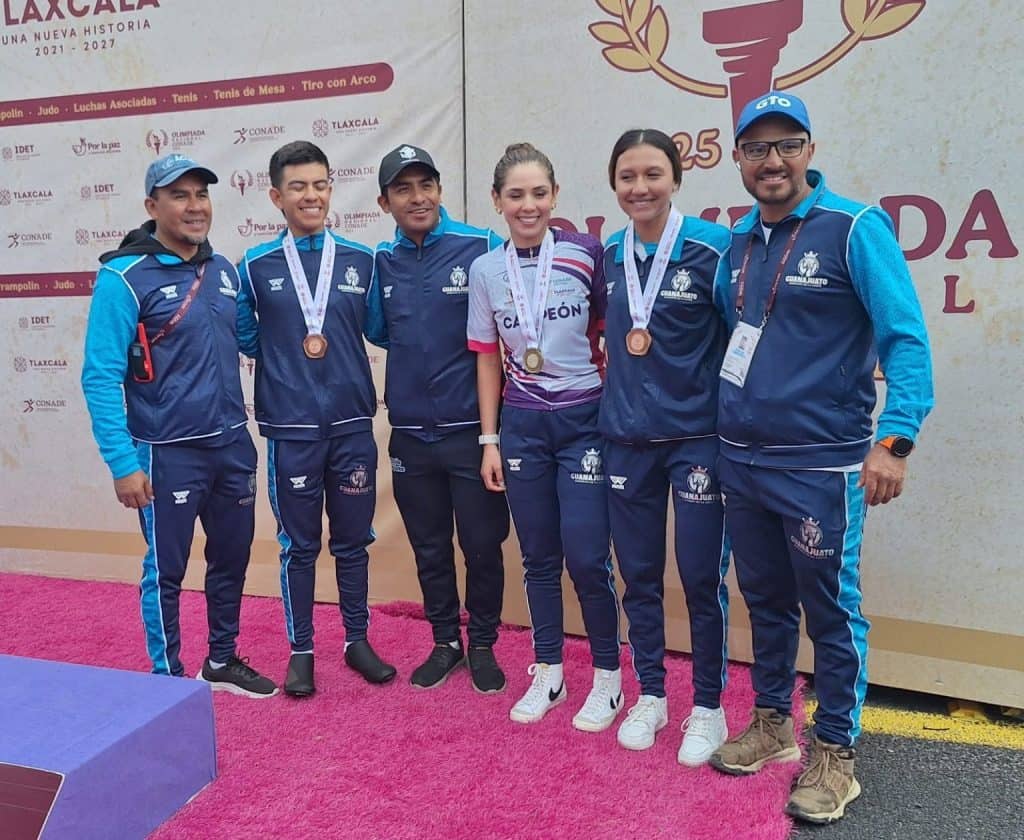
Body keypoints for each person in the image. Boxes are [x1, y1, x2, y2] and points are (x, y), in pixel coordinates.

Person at [708, 92, 934, 824]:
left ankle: (835, 749)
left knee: (831, 610)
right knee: (765, 601)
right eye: (756, 148)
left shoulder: (854, 228)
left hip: (822, 467)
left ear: (809, 150)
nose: (772, 161)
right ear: (738, 157)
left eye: (787, 145)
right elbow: (730, 338)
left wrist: (894, 440)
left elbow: (906, 338)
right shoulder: (737, 242)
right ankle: (774, 723)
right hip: (742, 461)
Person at [81, 154, 276, 698]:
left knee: (231, 558)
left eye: (201, 195)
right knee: (165, 570)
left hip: (232, 445)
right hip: (166, 451)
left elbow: (253, 343)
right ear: (152, 206)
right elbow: (99, 377)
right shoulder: (123, 277)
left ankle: (221, 659)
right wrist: (123, 463)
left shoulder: (224, 271)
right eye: (179, 196)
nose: (195, 207)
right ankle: (164, 681)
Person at [468, 142, 622, 729]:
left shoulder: (586, 254)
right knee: (537, 557)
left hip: (584, 420)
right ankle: (549, 671)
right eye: (515, 195)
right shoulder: (487, 269)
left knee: (586, 557)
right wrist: (490, 439)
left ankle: (607, 678)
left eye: (538, 193)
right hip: (523, 426)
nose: (528, 205)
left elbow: (611, 334)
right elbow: (487, 359)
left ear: (555, 196)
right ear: (497, 202)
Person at [236, 141, 396, 696]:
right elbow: (246, 338)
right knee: (298, 546)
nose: (312, 195)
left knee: (353, 541)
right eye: (299, 186)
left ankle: (357, 640)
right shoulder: (254, 267)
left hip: (353, 425)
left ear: (331, 188)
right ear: (277, 196)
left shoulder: (361, 259)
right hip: (291, 430)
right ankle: (301, 649)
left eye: (320, 184)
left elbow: (378, 329)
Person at [598, 129, 731, 764]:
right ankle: (651, 693)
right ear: (614, 184)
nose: (640, 187)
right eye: (627, 176)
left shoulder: (712, 248)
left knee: (703, 578)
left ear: (676, 178)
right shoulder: (608, 253)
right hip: (626, 441)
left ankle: (708, 705)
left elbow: (741, 337)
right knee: (640, 576)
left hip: (697, 441)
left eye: (652, 174)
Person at [366, 144, 510, 694]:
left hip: (472, 435)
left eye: (426, 184)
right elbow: (381, 330)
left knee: (481, 545)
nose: (417, 197)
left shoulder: (481, 247)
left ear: (441, 190)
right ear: (385, 201)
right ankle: (445, 641)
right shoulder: (384, 260)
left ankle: (483, 645)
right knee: (429, 545)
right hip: (410, 435)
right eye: (403, 188)